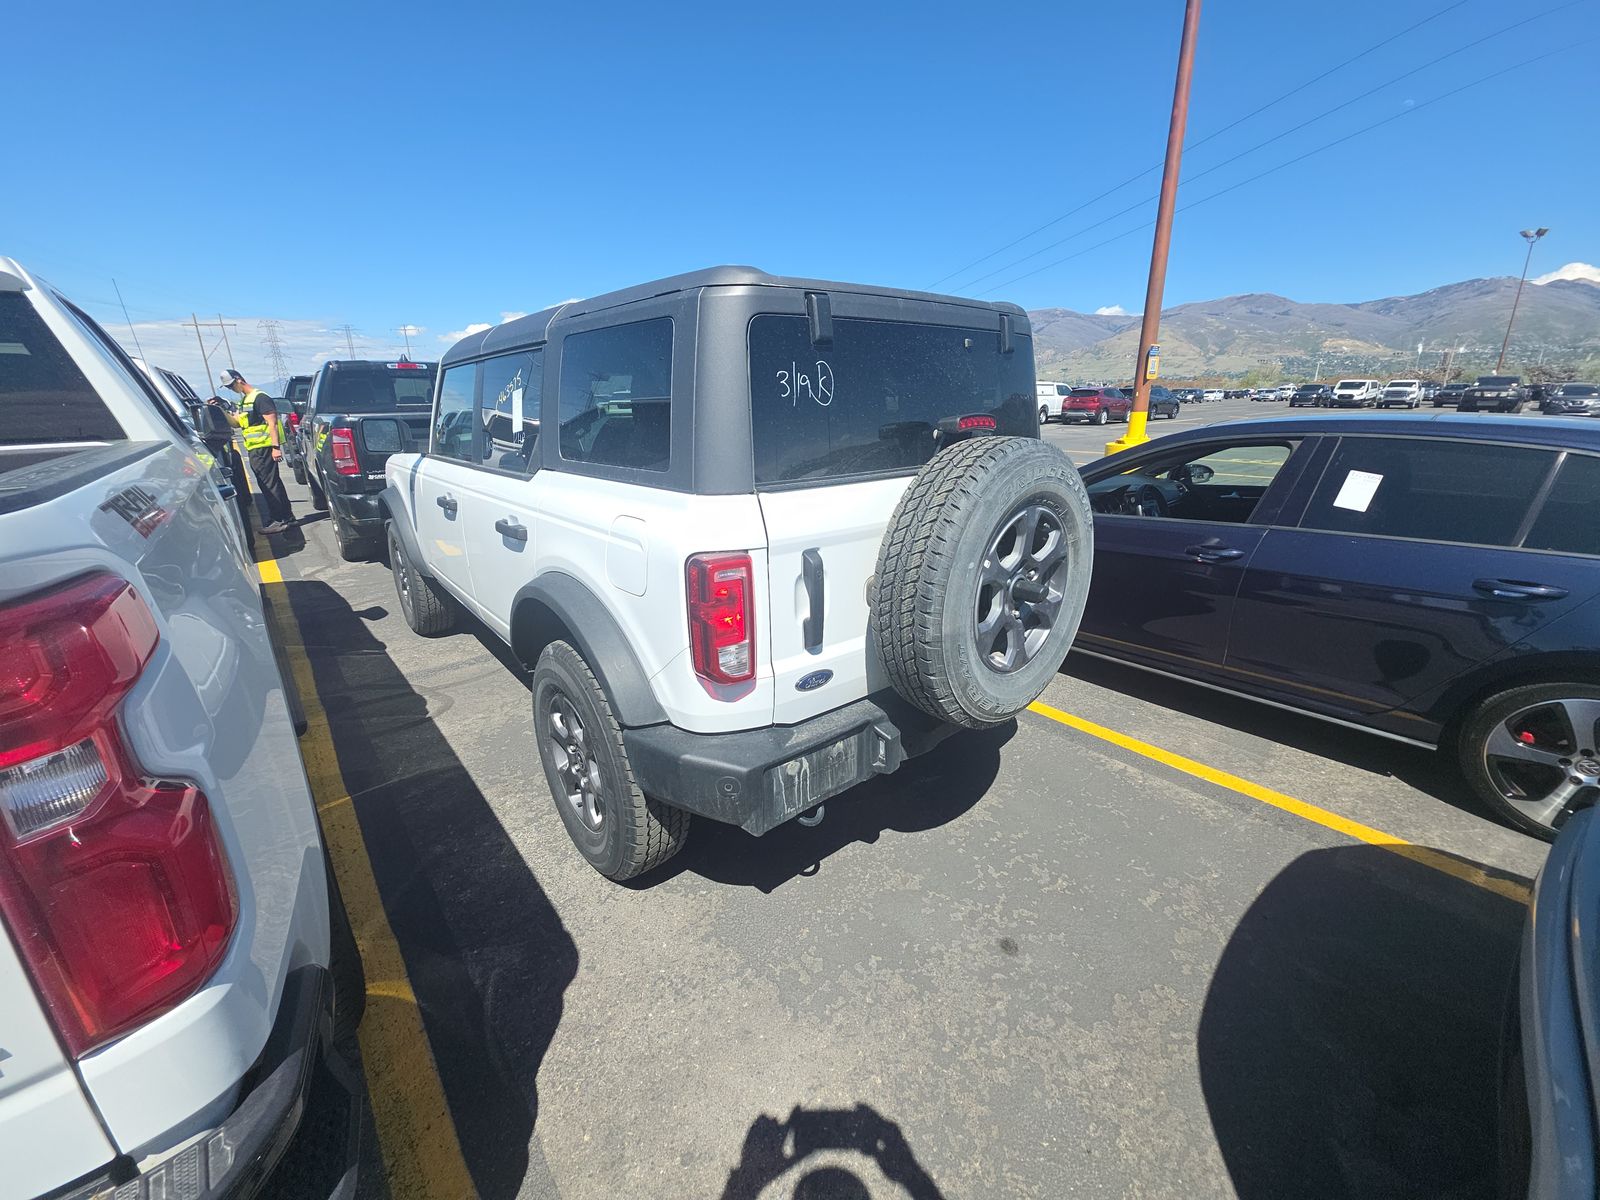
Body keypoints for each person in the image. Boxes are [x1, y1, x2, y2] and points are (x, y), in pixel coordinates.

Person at [214, 368, 294, 533]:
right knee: (271, 483)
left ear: (239, 380)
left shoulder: (260, 398)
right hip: (255, 448)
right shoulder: (245, 401)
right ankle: (286, 517)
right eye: (228, 387)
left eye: (231, 386)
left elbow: (272, 423)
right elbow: (236, 423)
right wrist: (220, 409)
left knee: (269, 484)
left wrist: (276, 448)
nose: (231, 389)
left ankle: (279, 520)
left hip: (264, 448)